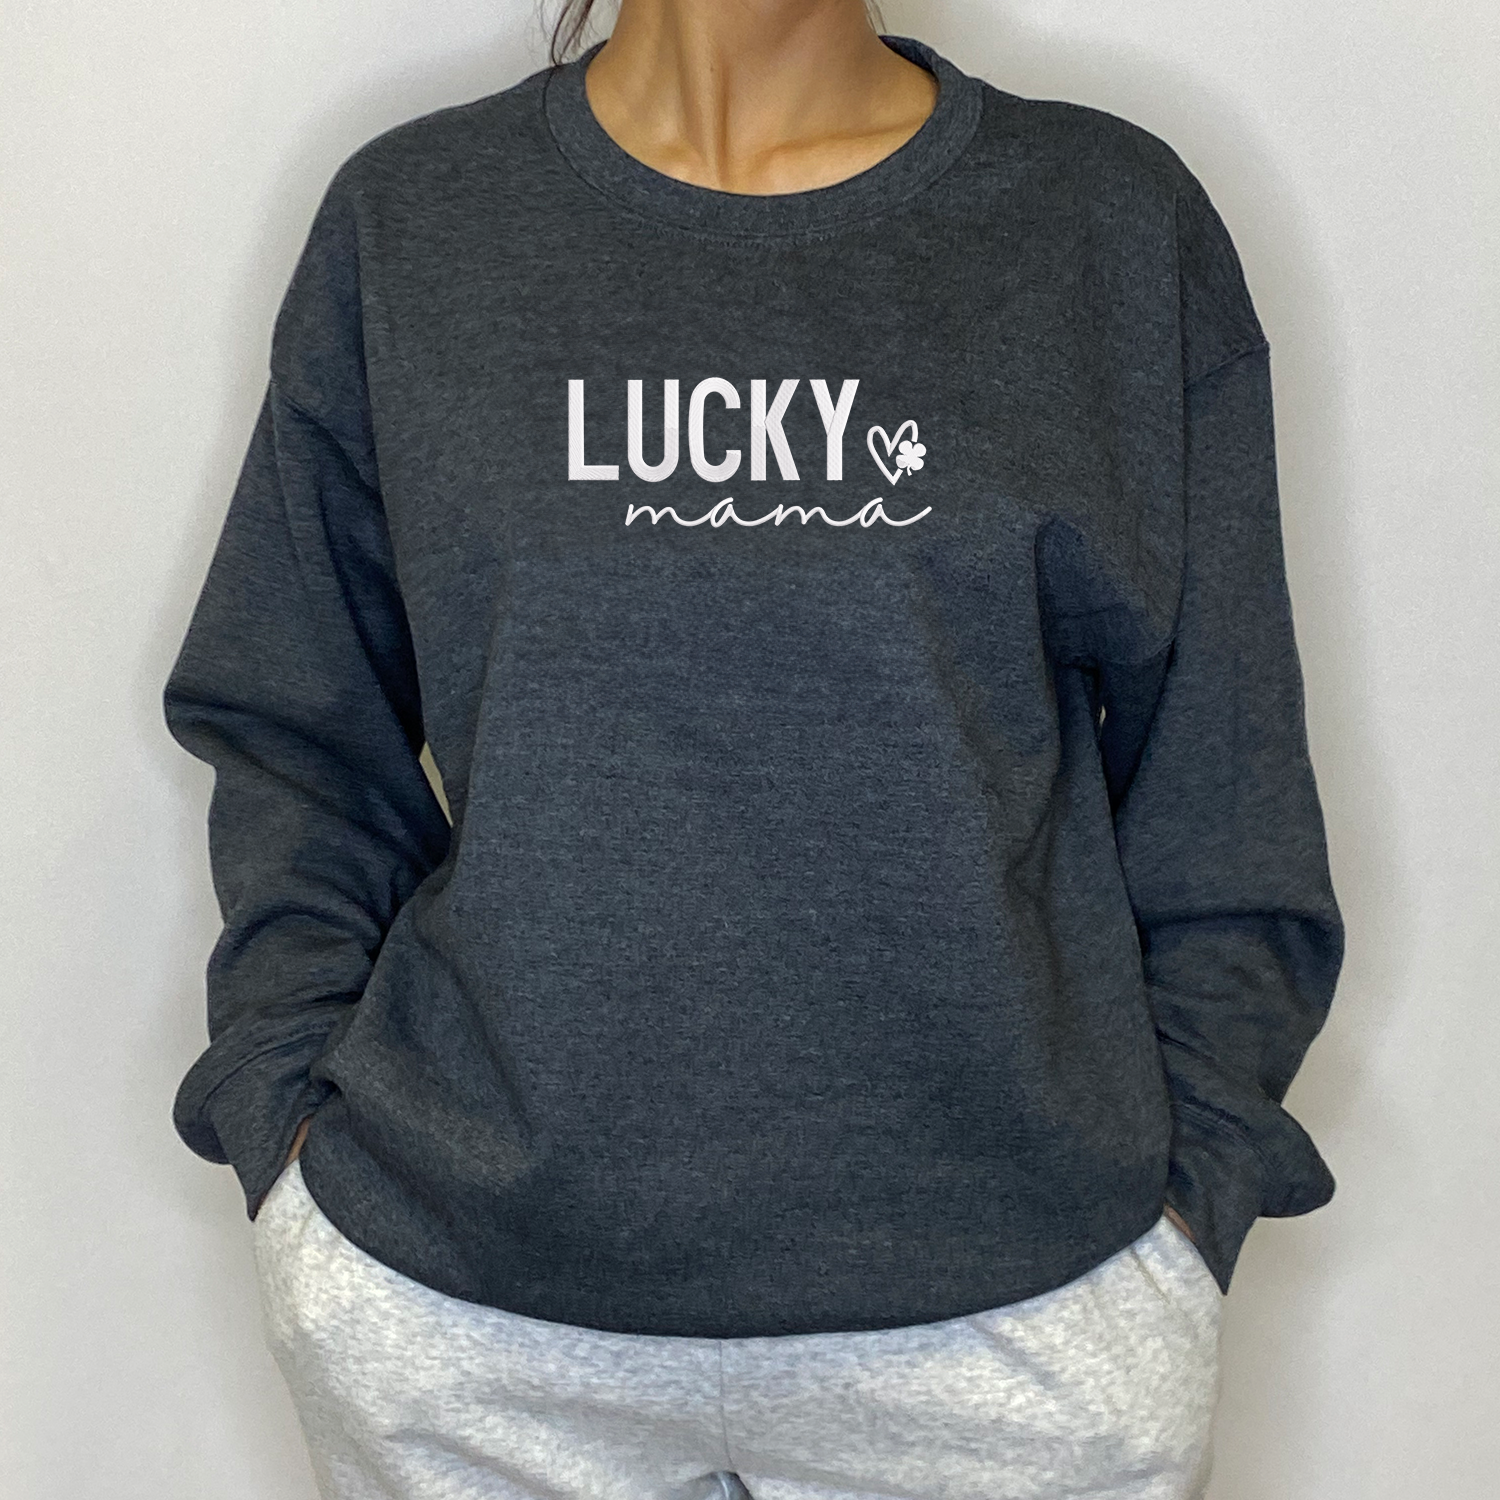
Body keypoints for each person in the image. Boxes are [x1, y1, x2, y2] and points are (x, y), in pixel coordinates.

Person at [161, 0, 1344, 1495]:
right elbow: (297, 722)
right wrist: (288, 1138)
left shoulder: (1104, 222)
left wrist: (1188, 1204)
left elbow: (1224, 780)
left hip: (1018, 1329)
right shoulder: (414, 223)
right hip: (466, 1325)